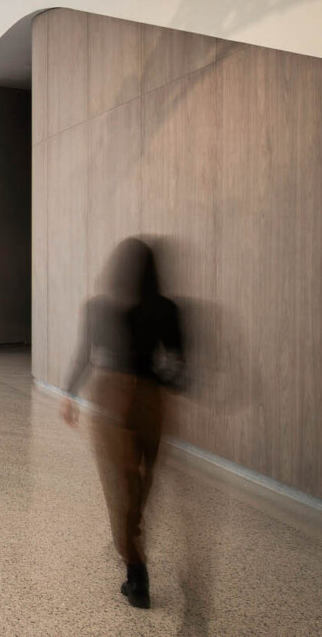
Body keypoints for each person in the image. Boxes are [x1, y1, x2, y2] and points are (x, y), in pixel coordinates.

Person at [63, 237, 185, 610]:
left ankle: (136, 571)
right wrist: (155, 385)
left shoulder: (100, 307)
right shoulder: (167, 309)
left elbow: (87, 352)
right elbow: (179, 365)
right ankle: (133, 543)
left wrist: (70, 394)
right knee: (142, 481)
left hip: (111, 399)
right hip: (152, 401)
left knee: (120, 486)